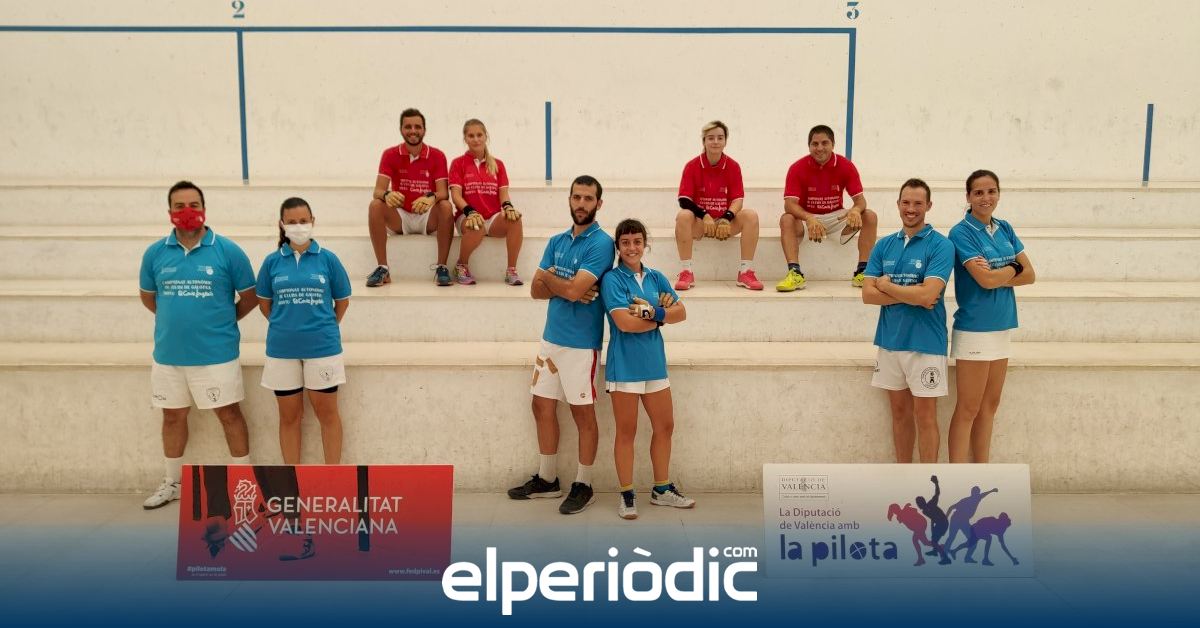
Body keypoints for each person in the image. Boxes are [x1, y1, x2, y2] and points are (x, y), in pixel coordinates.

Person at [139, 180, 256, 509]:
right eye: (180, 206)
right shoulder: (155, 253)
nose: (187, 211)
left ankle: (244, 485)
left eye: (193, 205)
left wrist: (221, 322)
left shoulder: (228, 251)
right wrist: (177, 322)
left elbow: (249, 298)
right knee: (172, 417)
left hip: (217, 355)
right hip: (168, 356)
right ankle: (172, 483)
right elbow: (149, 298)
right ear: (170, 211)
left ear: (204, 209)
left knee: (229, 414)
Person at [509, 175, 615, 515]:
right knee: (540, 406)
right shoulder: (556, 240)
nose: (581, 204)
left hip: (581, 345)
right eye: (577, 197)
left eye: (588, 198)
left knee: (582, 414)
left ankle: (584, 484)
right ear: (569, 200)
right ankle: (547, 479)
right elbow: (534, 290)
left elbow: (565, 288)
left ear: (599, 203)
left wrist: (552, 279)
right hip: (550, 340)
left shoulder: (602, 243)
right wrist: (563, 286)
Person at [602, 219, 693, 520]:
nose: (632, 247)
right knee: (626, 432)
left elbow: (682, 313)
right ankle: (627, 494)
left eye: (637, 241)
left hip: (655, 365)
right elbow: (625, 324)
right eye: (625, 242)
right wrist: (661, 318)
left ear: (645, 244)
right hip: (624, 367)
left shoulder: (656, 278)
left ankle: (661, 490)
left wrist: (653, 311)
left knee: (665, 427)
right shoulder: (612, 280)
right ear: (618, 247)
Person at [861, 178, 954, 463]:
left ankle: (928, 481)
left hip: (926, 343)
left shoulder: (941, 245)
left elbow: (928, 295)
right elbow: (868, 295)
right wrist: (912, 295)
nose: (911, 209)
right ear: (898, 204)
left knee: (925, 416)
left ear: (928, 206)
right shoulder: (883, 245)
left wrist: (887, 286)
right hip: (890, 341)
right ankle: (904, 477)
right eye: (906, 202)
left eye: (917, 203)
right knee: (900, 414)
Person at [947, 170, 1036, 463]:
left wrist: (1000, 273)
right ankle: (956, 478)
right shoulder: (960, 232)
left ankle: (981, 473)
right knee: (968, 408)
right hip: (975, 329)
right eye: (979, 193)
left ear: (998, 193)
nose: (986, 198)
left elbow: (1031, 275)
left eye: (991, 191)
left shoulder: (1004, 227)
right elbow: (985, 281)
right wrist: (1013, 267)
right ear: (968, 197)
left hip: (1002, 326)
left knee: (990, 406)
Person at [255, 197, 352, 464]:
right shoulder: (272, 262)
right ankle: (292, 479)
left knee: (327, 415)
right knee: (289, 417)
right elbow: (264, 304)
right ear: (282, 224)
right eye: (292, 222)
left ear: (312, 221)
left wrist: (324, 327)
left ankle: (332, 476)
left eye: (303, 221)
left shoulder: (328, 259)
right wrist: (285, 325)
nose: (298, 226)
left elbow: (342, 301)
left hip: (323, 348)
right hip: (281, 350)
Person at [777, 124, 879, 291]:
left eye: (824, 143)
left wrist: (855, 210)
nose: (819, 148)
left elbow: (860, 201)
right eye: (815, 144)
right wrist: (809, 218)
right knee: (786, 218)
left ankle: (863, 272)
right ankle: (795, 274)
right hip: (807, 219)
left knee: (869, 216)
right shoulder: (797, 168)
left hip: (836, 218)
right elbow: (789, 204)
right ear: (809, 146)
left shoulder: (846, 165)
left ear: (833, 144)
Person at [366, 108, 455, 287]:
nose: (413, 131)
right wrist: (387, 194)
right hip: (401, 216)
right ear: (401, 129)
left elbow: (443, 193)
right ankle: (383, 268)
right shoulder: (390, 154)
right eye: (408, 127)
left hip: (427, 217)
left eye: (417, 127)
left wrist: (431, 197)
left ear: (424, 130)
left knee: (445, 206)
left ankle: (442, 267)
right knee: (375, 205)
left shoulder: (437, 155)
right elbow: (378, 191)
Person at [673, 120, 762, 291]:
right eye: (711, 138)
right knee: (683, 216)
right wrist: (704, 215)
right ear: (704, 141)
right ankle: (686, 272)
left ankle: (745, 272)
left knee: (751, 215)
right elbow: (684, 200)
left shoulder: (733, 166)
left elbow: (738, 200)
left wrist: (726, 218)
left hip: (724, 225)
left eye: (720, 138)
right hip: (701, 224)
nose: (715, 142)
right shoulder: (692, 166)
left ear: (725, 141)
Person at [448, 118, 523, 286]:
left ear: (485, 136)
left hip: (493, 218)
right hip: (467, 217)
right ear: (465, 139)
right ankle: (461, 266)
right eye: (471, 136)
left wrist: (508, 207)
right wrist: (470, 212)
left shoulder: (498, 164)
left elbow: (503, 195)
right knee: (477, 226)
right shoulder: (458, 163)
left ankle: (511, 271)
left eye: (479, 135)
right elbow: (456, 196)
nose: (476, 139)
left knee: (515, 220)